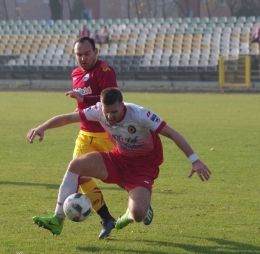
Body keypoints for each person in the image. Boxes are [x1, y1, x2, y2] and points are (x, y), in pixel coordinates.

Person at [27, 88, 212, 235]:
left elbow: (172, 133)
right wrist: (42, 127)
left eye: (114, 111)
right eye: (106, 112)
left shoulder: (140, 114)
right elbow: (68, 117)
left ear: (122, 105)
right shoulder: (99, 110)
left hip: (143, 167)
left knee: (139, 214)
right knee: (76, 165)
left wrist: (194, 160)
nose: (109, 116)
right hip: (118, 158)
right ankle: (57, 220)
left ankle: (131, 214)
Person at [31, 36, 119, 239]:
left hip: (107, 133)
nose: (83, 58)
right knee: (79, 175)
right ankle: (60, 219)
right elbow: (80, 108)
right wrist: (44, 126)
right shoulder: (76, 74)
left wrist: (85, 98)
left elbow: (113, 99)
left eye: (87, 53)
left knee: (121, 178)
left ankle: (141, 202)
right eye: (78, 54)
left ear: (96, 52)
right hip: (85, 134)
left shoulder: (104, 71)